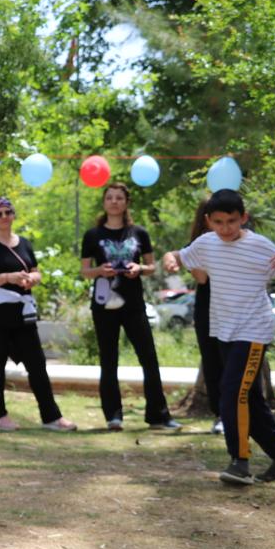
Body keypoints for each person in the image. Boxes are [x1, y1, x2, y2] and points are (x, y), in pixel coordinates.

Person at [162, 189, 275, 485]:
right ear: (209, 221)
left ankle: (239, 462)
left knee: (232, 392)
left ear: (243, 218)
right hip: (223, 330)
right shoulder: (206, 244)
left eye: (232, 221)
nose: (226, 228)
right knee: (247, 396)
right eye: (218, 222)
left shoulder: (260, 247)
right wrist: (171, 259)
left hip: (253, 331)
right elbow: (179, 255)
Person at [0, 196, 76, 432]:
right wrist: (7, 277)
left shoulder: (24, 243)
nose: (4, 217)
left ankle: (51, 417)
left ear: (14, 214)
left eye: (8, 212)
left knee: (37, 364)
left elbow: (36, 272)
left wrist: (31, 279)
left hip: (23, 313)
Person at [80, 183, 180, 432]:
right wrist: (100, 271)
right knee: (109, 359)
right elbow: (84, 271)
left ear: (126, 203)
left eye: (119, 198)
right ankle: (113, 416)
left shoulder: (139, 233)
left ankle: (158, 416)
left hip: (134, 304)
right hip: (104, 305)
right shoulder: (92, 235)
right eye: (110, 197)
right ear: (104, 202)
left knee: (148, 357)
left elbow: (152, 266)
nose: (114, 201)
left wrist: (139, 269)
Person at [185, 200, 224, 435]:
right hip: (208, 310)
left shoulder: (242, 241)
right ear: (206, 219)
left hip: (236, 309)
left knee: (235, 364)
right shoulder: (195, 247)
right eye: (217, 219)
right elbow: (202, 278)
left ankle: (249, 414)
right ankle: (221, 415)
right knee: (212, 362)